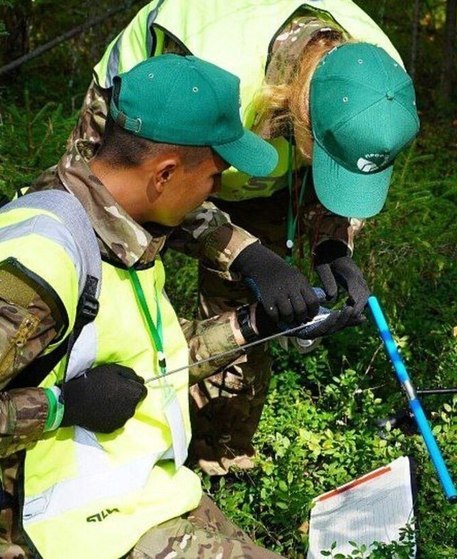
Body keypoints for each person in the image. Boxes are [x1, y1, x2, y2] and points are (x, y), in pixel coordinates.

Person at [69, 0, 421, 475]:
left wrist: (333, 240)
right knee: (110, 286)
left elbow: (344, 158)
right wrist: (246, 252)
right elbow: (170, 187)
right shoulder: (210, 69)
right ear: (300, 116)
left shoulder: (380, 83)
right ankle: (91, 435)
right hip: (143, 122)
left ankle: (218, 454)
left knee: (252, 306)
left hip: (250, 132)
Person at [0, 53, 293, 559]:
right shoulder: (43, 259)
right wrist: (57, 408)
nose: (217, 193)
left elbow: (148, 363)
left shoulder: (122, 234)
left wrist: (252, 325)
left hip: (143, 494)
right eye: (215, 176)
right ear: (165, 173)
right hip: (65, 531)